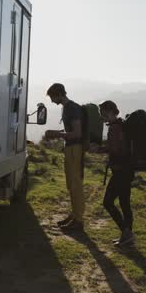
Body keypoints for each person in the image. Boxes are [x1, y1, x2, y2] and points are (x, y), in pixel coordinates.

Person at [44, 83, 84, 231]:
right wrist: (57, 132)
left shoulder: (72, 108)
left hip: (75, 149)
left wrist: (57, 134)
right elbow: (70, 130)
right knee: (71, 184)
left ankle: (79, 220)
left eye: (52, 97)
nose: (52, 101)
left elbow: (77, 133)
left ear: (59, 94)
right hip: (71, 149)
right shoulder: (67, 108)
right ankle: (74, 215)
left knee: (75, 185)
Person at [99, 100, 136, 248]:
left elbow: (114, 150)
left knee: (107, 202)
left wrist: (100, 149)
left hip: (120, 171)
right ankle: (127, 236)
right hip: (128, 170)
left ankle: (126, 232)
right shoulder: (122, 125)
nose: (102, 118)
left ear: (109, 112)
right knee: (124, 203)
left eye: (102, 114)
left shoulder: (114, 128)